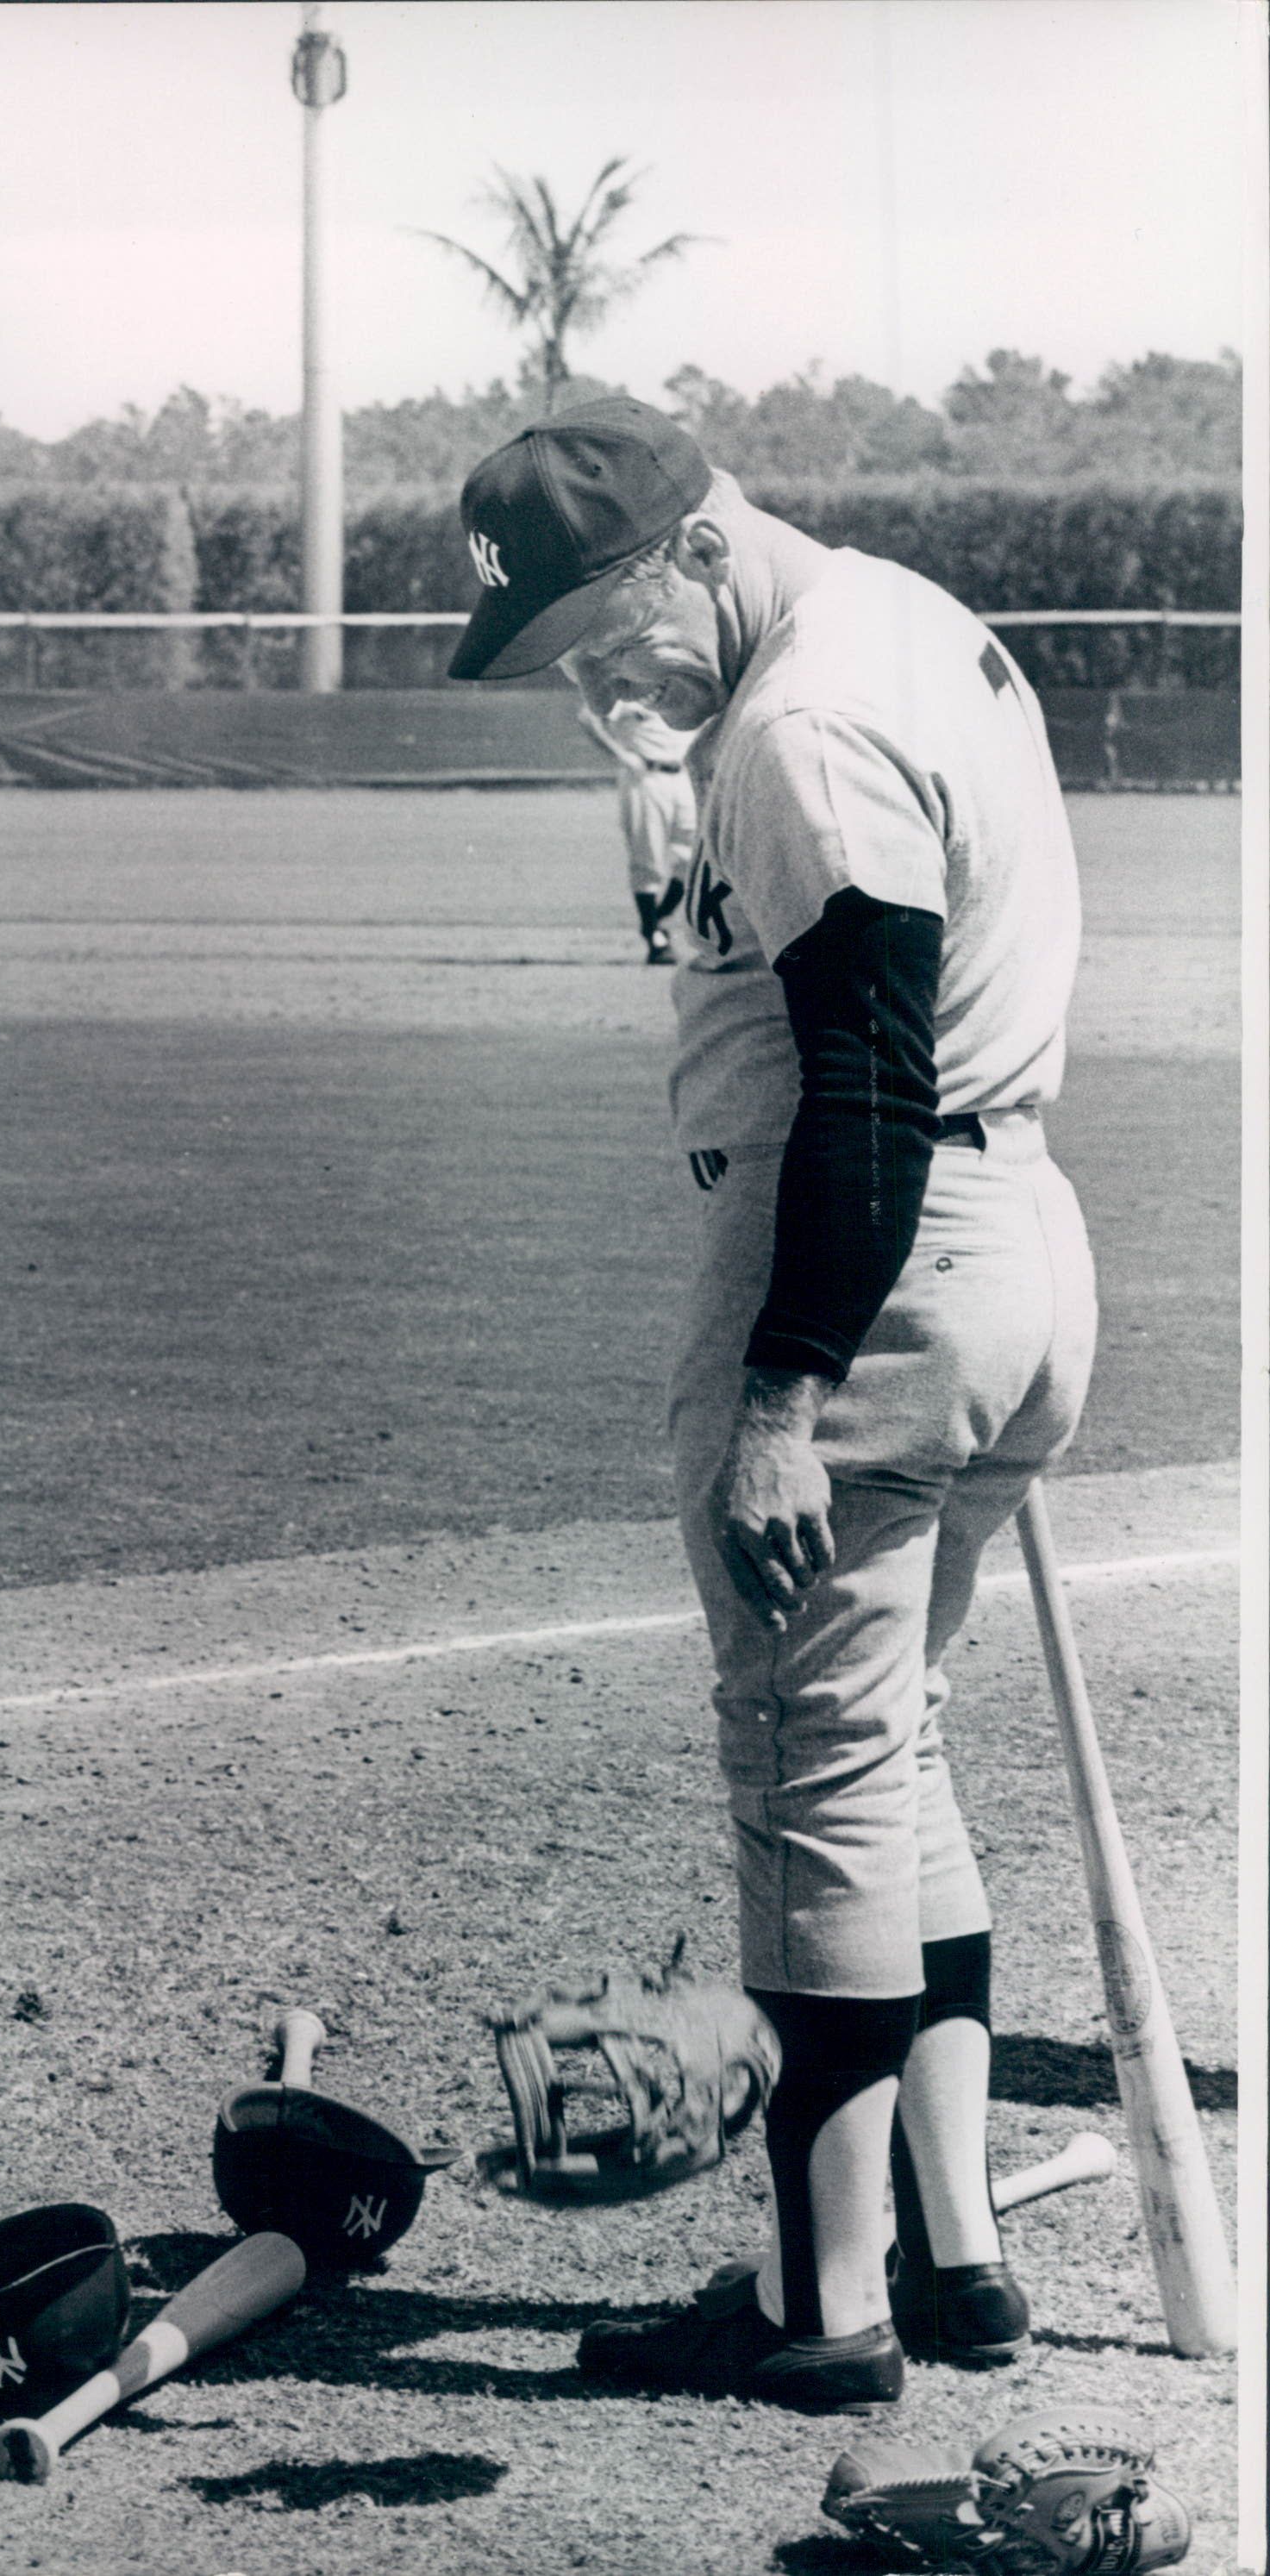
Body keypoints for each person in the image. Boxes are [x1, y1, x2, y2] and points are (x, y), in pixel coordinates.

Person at [450, 399, 1096, 2411]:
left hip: (877, 1271)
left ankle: (824, 2308)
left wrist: (777, 1399)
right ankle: (951, 2244)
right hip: (1016, 1255)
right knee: (891, 1752)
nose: (596, 680)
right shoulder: (899, 617)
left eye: (597, 626)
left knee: (811, 1781)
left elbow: (870, 1081)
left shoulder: (798, 721)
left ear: (702, 545)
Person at [572, 686, 697, 962]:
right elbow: (586, 716)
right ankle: (654, 939)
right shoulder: (630, 686)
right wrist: (620, 754)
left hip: (684, 776)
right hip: (645, 778)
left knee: (695, 857)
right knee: (648, 857)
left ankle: (658, 919)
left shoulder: (685, 684)